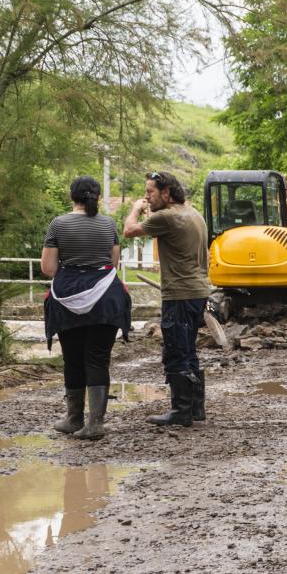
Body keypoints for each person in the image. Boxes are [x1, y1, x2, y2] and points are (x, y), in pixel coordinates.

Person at [42, 176, 132, 440]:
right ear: (97, 198)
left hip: (67, 298)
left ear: (72, 197)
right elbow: (111, 263)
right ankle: (95, 424)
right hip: (106, 299)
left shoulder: (58, 224)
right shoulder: (108, 224)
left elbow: (48, 268)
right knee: (98, 357)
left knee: (73, 357)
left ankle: (73, 418)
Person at [123, 171, 211, 426]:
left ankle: (180, 411)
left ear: (166, 192)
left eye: (150, 192)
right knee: (189, 350)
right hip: (197, 292)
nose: (146, 197)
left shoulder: (168, 217)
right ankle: (195, 408)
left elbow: (129, 230)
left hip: (179, 294)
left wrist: (135, 208)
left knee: (175, 351)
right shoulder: (192, 214)